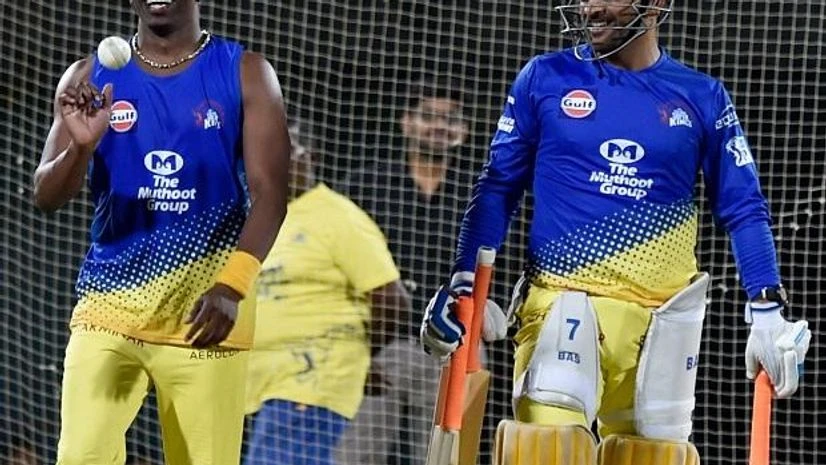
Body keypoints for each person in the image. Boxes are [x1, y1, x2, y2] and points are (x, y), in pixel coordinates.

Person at [419, 1, 813, 465]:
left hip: (664, 324)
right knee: (544, 451)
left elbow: (744, 207)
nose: (590, 6)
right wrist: (465, 282)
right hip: (564, 304)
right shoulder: (545, 76)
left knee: (652, 457)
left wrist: (766, 307)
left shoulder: (703, 95)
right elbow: (497, 186)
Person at [32, 1, 290, 464]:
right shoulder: (87, 75)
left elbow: (271, 195)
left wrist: (231, 286)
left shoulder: (246, 72)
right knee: (79, 457)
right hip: (108, 311)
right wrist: (82, 148)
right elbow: (46, 196)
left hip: (205, 318)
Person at [337, 75, 501, 465]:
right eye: (428, 116)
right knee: (354, 456)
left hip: (455, 347)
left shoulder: (482, 194)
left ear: (463, 132)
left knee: (448, 457)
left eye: (451, 119)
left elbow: (500, 263)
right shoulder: (365, 185)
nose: (439, 126)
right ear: (406, 122)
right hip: (378, 346)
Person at [243, 118, 411, 465]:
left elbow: (393, 300)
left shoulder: (337, 216)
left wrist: (354, 354)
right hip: (263, 383)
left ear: (310, 158)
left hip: (309, 379)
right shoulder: (261, 217)